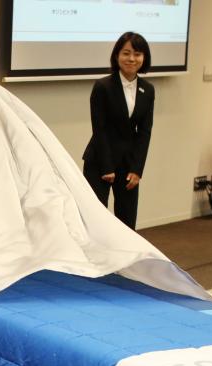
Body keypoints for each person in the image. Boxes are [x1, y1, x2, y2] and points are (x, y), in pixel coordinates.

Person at [82, 31, 155, 230]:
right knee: (96, 220)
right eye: (126, 53)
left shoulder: (148, 89)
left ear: (144, 57)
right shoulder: (103, 86)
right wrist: (107, 167)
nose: (132, 59)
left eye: (137, 54)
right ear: (117, 56)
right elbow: (99, 129)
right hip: (100, 161)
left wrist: (137, 169)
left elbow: (145, 131)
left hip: (128, 164)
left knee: (127, 221)